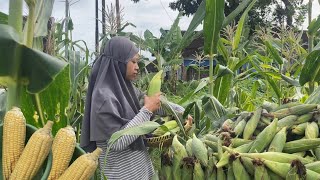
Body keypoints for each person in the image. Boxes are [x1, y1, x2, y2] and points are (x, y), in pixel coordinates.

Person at [80, 36, 191, 180]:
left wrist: (181, 112)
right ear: (118, 62)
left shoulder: (126, 88)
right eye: (133, 61)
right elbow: (116, 142)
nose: (137, 67)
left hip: (140, 172)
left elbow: (154, 104)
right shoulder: (103, 97)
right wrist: (146, 110)